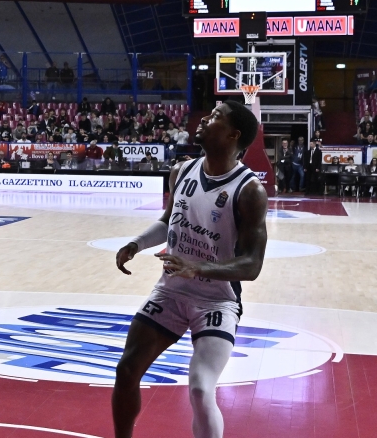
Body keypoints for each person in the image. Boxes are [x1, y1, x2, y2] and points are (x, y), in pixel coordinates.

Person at [113, 100, 268, 438]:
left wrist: (196, 266)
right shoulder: (181, 171)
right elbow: (168, 221)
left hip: (217, 300)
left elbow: (252, 265)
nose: (204, 119)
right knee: (126, 370)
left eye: (215, 117)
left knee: (199, 389)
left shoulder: (249, 190)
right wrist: (136, 244)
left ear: (232, 135)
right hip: (170, 291)